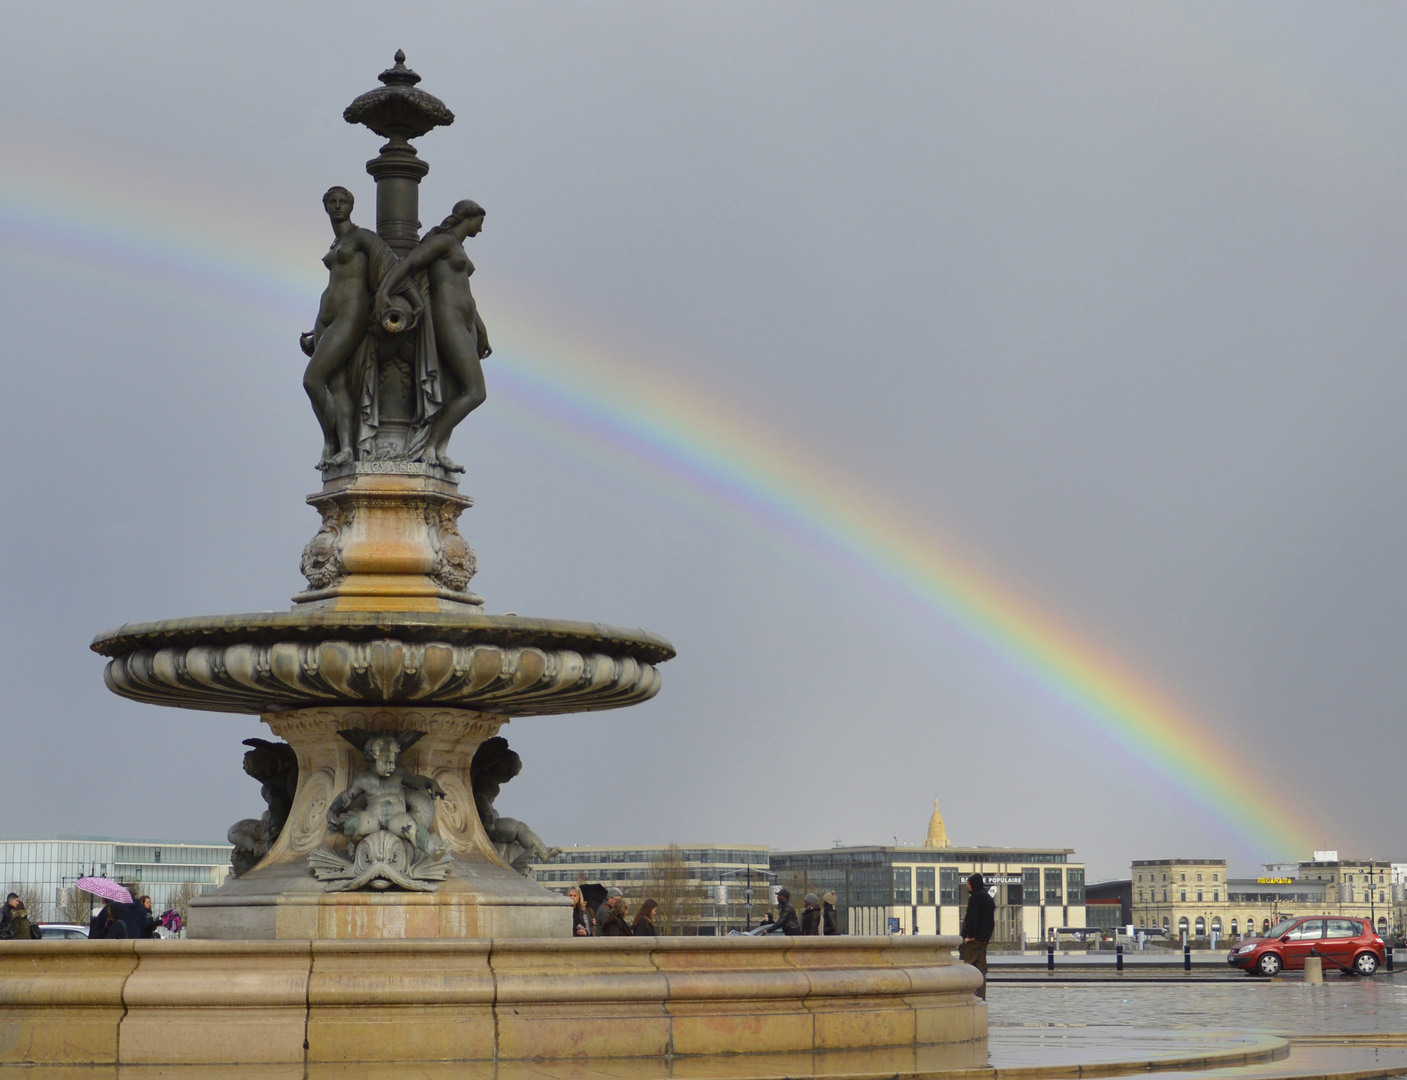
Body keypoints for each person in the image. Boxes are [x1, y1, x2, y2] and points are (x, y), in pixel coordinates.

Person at [375, 200, 493, 472]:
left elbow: (466, 293)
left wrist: (481, 328)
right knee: (476, 392)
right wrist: (384, 291)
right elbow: (409, 263)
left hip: (465, 323)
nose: (481, 229)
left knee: (453, 390)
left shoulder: (458, 247)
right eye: (480, 222)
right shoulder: (443, 242)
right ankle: (427, 444)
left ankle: (439, 450)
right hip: (448, 320)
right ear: (468, 217)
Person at [300, 186, 400, 467]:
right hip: (325, 319)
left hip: (349, 316)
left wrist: (384, 298)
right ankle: (342, 446)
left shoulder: (362, 237)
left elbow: (392, 266)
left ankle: (334, 441)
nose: (337, 206)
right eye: (332, 202)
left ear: (352, 205)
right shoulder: (337, 242)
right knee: (336, 384)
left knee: (312, 380)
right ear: (325, 206)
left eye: (343, 201)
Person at [960, 873, 995, 1000]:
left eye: (968, 884)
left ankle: (964, 998)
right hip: (984, 940)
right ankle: (981, 998)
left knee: (964, 967)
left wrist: (969, 935)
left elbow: (972, 918)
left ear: (974, 884)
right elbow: (991, 922)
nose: (967, 886)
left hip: (973, 941)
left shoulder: (975, 898)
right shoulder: (988, 898)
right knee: (980, 970)